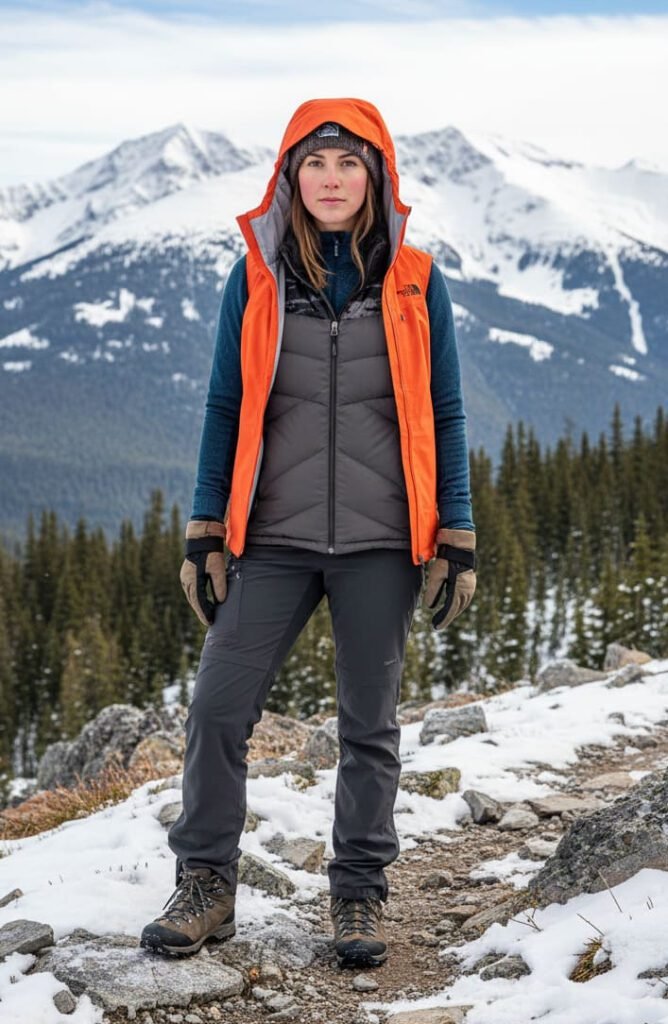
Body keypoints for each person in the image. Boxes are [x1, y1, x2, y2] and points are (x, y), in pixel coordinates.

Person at [140, 97, 477, 969]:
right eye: (315, 164)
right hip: (273, 538)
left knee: (369, 724)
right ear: (291, 177)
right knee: (219, 707)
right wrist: (205, 528)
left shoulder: (415, 280)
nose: (331, 179)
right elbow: (225, 404)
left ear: (376, 177)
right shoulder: (256, 278)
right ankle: (206, 884)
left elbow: (444, 411)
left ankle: (358, 890)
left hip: (382, 540)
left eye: (348, 164)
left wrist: (458, 530)